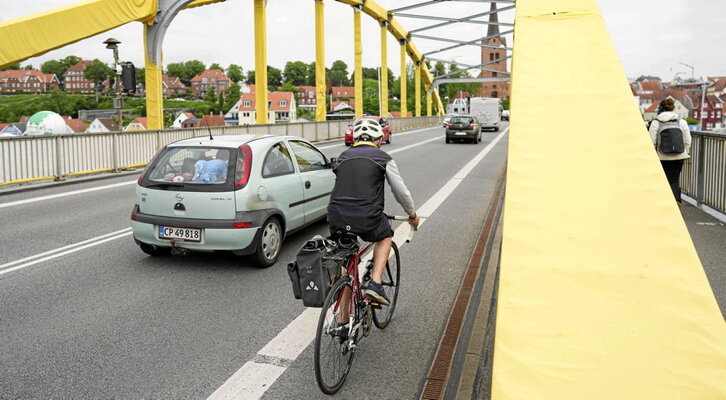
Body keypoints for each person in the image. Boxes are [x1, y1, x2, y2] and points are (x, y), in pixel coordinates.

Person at [327, 118, 420, 309]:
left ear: (354, 139)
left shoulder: (343, 157)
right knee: (385, 235)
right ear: (379, 140)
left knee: (346, 268)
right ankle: (376, 283)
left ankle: (343, 323)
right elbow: (400, 192)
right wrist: (411, 215)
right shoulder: (383, 157)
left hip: (337, 215)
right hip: (367, 216)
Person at [648, 98, 692, 204]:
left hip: (662, 157)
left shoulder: (655, 123)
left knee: (662, 180)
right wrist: (685, 151)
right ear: (673, 109)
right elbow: (687, 140)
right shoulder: (682, 122)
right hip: (678, 156)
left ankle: (663, 203)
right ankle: (677, 201)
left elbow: (652, 141)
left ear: (660, 109)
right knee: (674, 180)